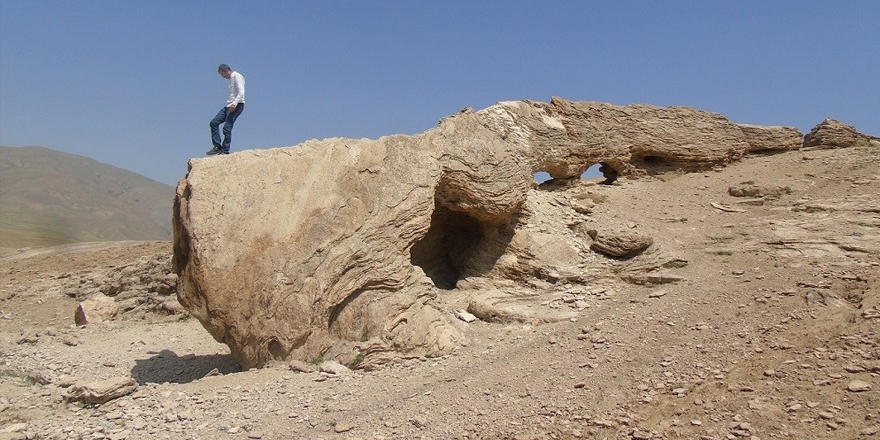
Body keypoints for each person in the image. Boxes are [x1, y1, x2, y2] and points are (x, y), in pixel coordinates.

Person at [207, 64, 245, 155]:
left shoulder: (237, 76)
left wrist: (234, 104)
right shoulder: (231, 79)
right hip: (228, 106)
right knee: (214, 122)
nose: (223, 77)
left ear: (225, 71)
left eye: (222, 75)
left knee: (227, 128)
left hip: (236, 105)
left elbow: (241, 92)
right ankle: (217, 146)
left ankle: (225, 150)